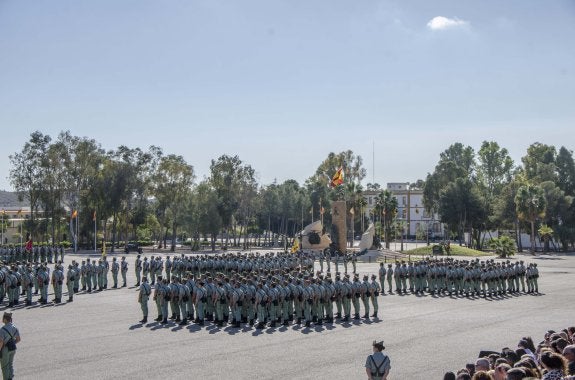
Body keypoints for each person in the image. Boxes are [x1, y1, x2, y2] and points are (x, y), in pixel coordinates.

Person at [0, 312, 20, 380]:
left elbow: (1, 342)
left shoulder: (2, 329)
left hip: (5, 350)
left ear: (5, 319)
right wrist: (12, 343)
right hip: (13, 348)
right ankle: (10, 378)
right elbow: (18, 339)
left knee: (5, 366)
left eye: (3, 318)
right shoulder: (15, 327)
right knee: (10, 365)